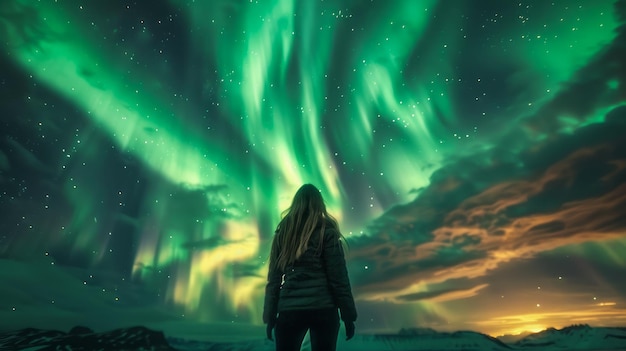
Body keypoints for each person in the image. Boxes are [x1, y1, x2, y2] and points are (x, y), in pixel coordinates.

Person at [263, 184, 357, 351]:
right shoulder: (326, 233)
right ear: (319, 204)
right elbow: (339, 278)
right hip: (323, 309)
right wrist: (348, 316)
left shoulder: (283, 235)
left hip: (290, 310)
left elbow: (274, 280)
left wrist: (270, 317)